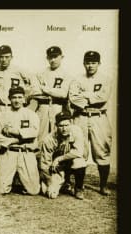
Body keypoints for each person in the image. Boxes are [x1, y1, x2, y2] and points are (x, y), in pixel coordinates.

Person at [68, 51, 113, 196]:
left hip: (98, 117)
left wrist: (85, 95)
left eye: (93, 62)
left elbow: (103, 97)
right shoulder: (77, 79)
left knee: (102, 150)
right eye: (88, 62)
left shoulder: (106, 79)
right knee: (79, 150)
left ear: (99, 63)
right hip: (80, 116)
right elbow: (73, 98)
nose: (90, 65)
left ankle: (103, 186)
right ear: (84, 63)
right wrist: (91, 98)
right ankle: (79, 187)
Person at [0, 86, 40, 195]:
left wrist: (13, 132)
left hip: (26, 152)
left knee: (34, 191)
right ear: (9, 98)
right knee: (0, 190)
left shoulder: (31, 114)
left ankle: (21, 177)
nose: (17, 100)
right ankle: (12, 177)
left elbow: (34, 133)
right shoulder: (2, 115)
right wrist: (17, 140)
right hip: (8, 152)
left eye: (20, 97)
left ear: (24, 99)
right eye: (14, 97)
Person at [29, 46, 73, 144]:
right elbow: (34, 91)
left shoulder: (67, 75)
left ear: (62, 57)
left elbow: (63, 94)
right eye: (50, 57)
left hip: (58, 107)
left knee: (59, 137)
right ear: (47, 58)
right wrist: (53, 92)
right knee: (41, 138)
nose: (52, 60)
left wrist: (44, 88)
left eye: (55, 57)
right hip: (43, 107)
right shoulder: (40, 73)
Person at [40, 112, 87, 199]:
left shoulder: (77, 131)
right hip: (57, 167)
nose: (64, 129)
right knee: (51, 193)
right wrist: (49, 182)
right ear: (56, 125)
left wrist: (59, 158)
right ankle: (64, 183)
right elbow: (45, 163)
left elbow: (78, 152)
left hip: (70, 161)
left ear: (71, 123)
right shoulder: (49, 139)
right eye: (61, 126)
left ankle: (78, 188)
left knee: (79, 162)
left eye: (66, 125)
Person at [0, 45, 31, 127]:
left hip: (14, 108)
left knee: (13, 131)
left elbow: (31, 85)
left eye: (7, 57)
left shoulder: (19, 71)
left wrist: (25, 99)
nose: (4, 60)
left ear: (11, 57)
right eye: (1, 57)